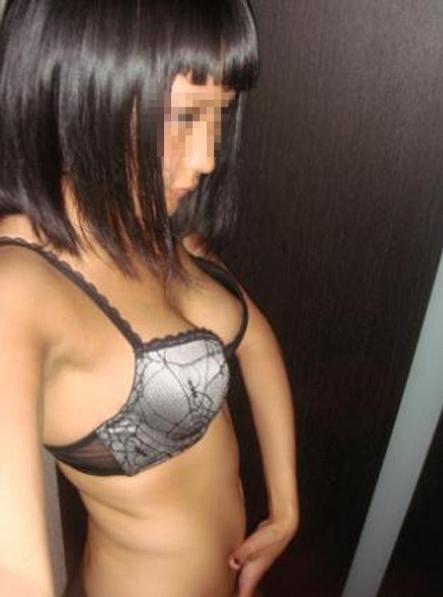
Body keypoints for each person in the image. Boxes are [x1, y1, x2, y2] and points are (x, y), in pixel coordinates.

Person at [0, 1, 299, 596]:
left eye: (220, 114)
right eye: (185, 116)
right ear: (86, 89)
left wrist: (285, 509)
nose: (207, 158)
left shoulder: (155, 226)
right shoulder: (18, 288)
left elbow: (256, 342)